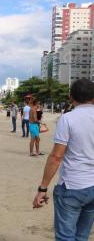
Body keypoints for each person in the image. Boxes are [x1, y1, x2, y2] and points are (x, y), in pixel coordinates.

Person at [32, 79, 94, 240]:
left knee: (65, 237)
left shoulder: (68, 118)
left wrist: (43, 188)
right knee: (82, 236)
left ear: (70, 97)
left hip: (73, 185)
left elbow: (56, 156)